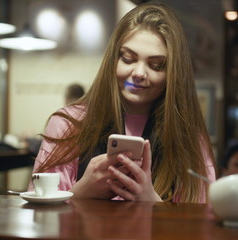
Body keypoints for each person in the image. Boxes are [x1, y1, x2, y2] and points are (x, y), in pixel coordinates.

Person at [29, 2, 215, 203]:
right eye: (128, 59)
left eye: (156, 65)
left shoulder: (188, 137)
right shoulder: (68, 124)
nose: (139, 73)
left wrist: (153, 204)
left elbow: (203, 223)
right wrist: (81, 192)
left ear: (173, 73)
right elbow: (40, 219)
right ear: (113, 60)